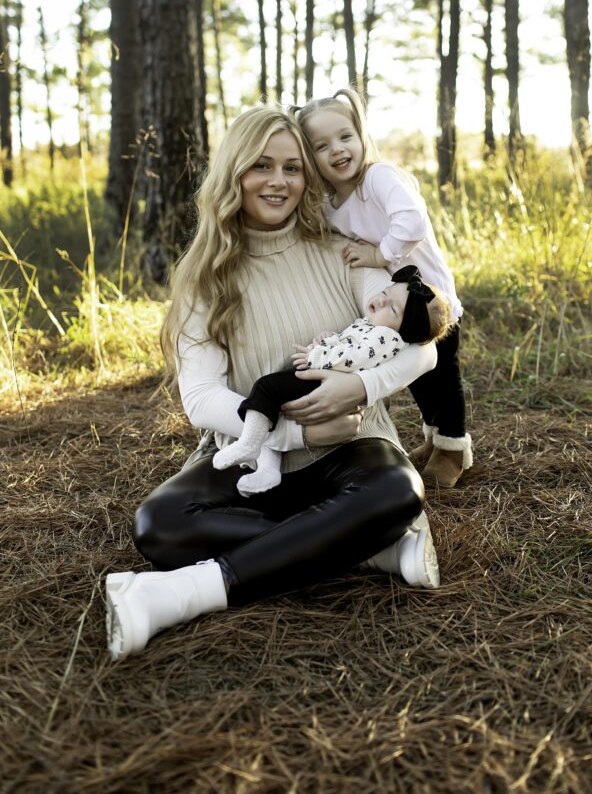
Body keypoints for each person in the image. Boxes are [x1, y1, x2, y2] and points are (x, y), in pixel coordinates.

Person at [105, 107, 441, 662]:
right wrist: (290, 435)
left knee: (397, 491)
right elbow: (202, 398)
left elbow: (419, 350)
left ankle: (175, 596)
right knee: (159, 524)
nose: (279, 181)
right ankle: (364, 547)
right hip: (254, 458)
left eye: (292, 167)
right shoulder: (205, 276)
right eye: (262, 165)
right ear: (234, 172)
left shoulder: (345, 250)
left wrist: (356, 391)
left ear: (308, 175)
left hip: (352, 452)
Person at [296, 88, 472, 488]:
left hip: (428, 300)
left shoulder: (377, 178)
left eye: (345, 136)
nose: (337, 150)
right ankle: (433, 437)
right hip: (391, 306)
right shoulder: (330, 203)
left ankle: (454, 447)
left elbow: (412, 222)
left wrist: (380, 255)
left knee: (442, 371)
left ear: (360, 135)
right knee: (416, 376)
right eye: (321, 145)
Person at [212, 265, 451, 494]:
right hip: (327, 384)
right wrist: (329, 339)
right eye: (385, 293)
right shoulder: (375, 325)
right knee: (274, 410)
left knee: (266, 388)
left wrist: (316, 355)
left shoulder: (385, 336)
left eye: (393, 309)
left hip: (325, 385)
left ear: (405, 329)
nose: (381, 300)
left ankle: (249, 442)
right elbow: (350, 345)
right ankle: (268, 469)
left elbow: (352, 359)